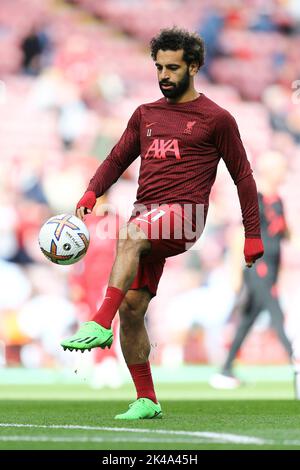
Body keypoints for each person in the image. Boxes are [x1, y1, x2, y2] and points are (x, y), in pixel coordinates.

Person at [61, 27, 264, 419]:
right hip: (148, 214)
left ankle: (99, 321)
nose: (164, 75)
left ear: (194, 66)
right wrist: (92, 191)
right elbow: (117, 158)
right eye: (159, 67)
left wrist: (251, 234)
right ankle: (147, 399)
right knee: (133, 308)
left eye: (173, 67)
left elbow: (244, 176)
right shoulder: (145, 114)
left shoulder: (217, 119)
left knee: (130, 234)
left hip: (185, 216)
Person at [210, 151, 294, 390]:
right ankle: (295, 362)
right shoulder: (255, 198)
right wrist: (235, 272)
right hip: (258, 267)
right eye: (279, 167)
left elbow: (284, 233)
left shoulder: (277, 200)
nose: (284, 172)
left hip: (273, 268)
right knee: (277, 313)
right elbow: (240, 233)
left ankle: (225, 370)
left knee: (248, 320)